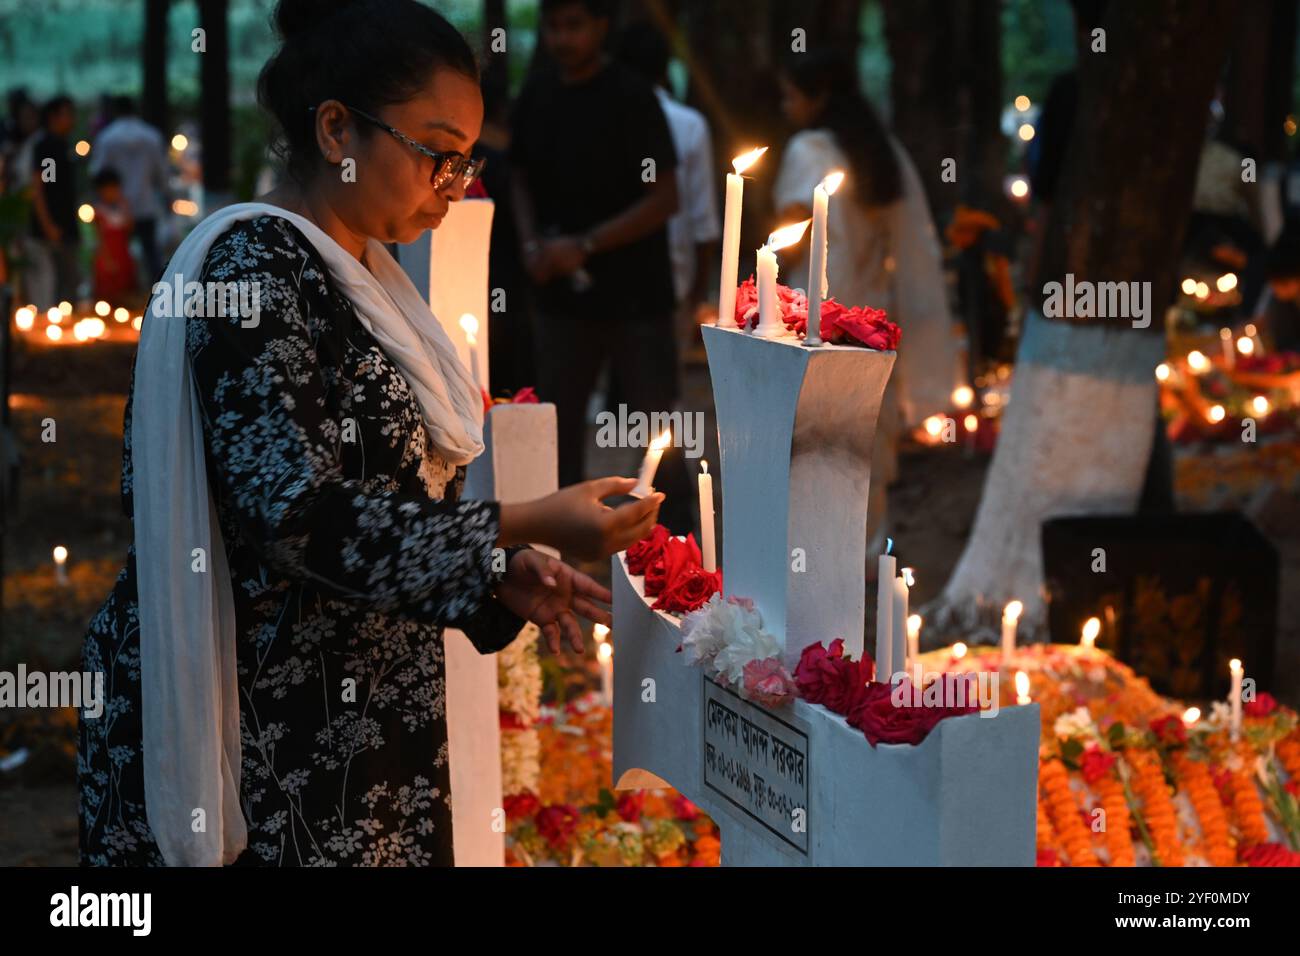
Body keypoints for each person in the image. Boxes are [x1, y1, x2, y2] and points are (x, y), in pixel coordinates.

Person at [78, 0, 663, 868]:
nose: (454, 184)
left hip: (357, 721)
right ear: (336, 129)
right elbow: (296, 515)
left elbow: (384, 510)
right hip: (266, 733)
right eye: (435, 152)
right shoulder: (253, 269)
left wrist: (491, 575)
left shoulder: (369, 279)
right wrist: (526, 519)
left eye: (467, 159)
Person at [510, 0, 693, 534]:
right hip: (560, 295)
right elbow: (518, 174)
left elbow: (665, 198)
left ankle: (674, 533)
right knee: (556, 422)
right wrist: (530, 245)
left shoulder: (631, 97)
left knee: (654, 417)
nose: (562, 38)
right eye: (553, 26)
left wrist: (585, 244)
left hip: (637, 294)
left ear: (601, 27)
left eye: (574, 25)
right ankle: (558, 532)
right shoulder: (538, 94)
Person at [775, 52, 959, 554]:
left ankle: (812, 551)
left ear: (817, 98)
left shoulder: (808, 150)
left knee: (810, 439)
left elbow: (792, 232)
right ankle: (864, 549)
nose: (785, 105)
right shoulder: (877, 151)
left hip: (814, 319)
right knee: (865, 438)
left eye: (790, 94)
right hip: (872, 321)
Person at [617, 22, 721, 360]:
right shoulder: (689, 124)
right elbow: (703, 220)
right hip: (671, 282)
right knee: (656, 394)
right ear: (665, 70)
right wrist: (696, 294)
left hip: (608, 280)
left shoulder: (607, 117)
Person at [91, 96, 169, 285]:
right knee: (150, 254)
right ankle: (156, 298)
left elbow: (96, 171)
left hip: (115, 208)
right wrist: (167, 197)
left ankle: (124, 297)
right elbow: (162, 173)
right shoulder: (151, 135)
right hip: (145, 202)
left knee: (119, 255)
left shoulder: (107, 137)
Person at [28, 95, 81, 309]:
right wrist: (48, 223)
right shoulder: (47, 146)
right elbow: (42, 187)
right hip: (54, 226)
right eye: (67, 114)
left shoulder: (61, 145)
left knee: (68, 281)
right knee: (56, 283)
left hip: (65, 224)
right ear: (53, 117)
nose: (72, 120)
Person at [89, 167, 137, 301]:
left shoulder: (123, 208)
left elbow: (130, 228)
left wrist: (126, 207)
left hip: (123, 254)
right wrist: (106, 258)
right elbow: (98, 237)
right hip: (107, 256)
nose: (111, 193)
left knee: (125, 289)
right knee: (107, 292)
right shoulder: (99, 211)